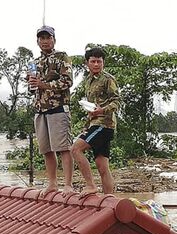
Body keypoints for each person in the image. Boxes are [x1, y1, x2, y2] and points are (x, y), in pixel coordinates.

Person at [28, 25, 74, 196]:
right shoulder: (34, 62)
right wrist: (32, 84)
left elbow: (67, 82)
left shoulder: (62, 57)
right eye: (42, 38)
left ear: (54, 39)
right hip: (40, 109)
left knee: (63, 147)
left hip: (58, 108)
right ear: (38, 41)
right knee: (46, 149)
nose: (45, 41)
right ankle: (52, 183)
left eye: (48, 38)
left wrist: (43, 84)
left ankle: (68, 184)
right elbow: (32, 89)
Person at [70, 47, 121, 197]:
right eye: (93, 61)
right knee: (102, 165)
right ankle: (109, 199)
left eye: (99, 61)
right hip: (94, 124)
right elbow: (91, 107)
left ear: (103, 62)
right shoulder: (88, 81)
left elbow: (117, 102)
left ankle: (91, 185)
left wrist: (102, 110)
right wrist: (87, 126)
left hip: (104, 125)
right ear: (87, 63)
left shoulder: (108, 79)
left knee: (75, 149)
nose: (97, 64)